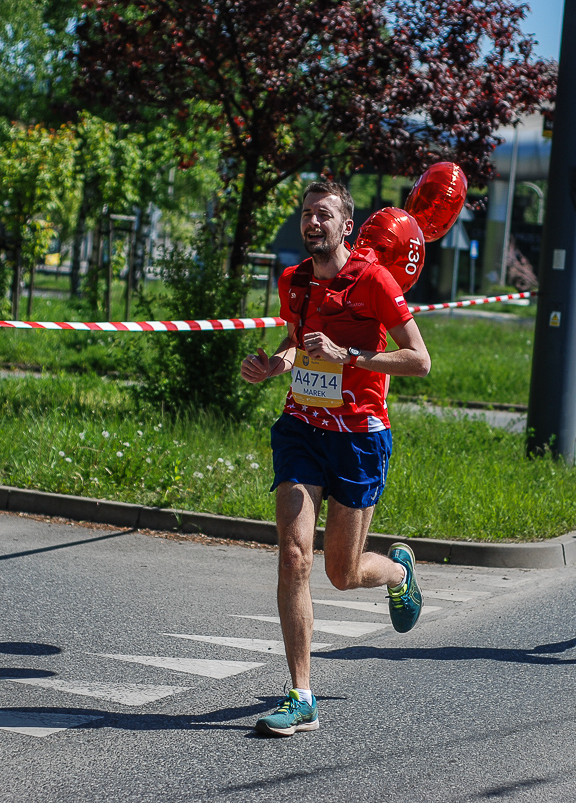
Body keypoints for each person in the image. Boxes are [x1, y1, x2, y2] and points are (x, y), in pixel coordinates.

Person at [239, 180, 430, 736]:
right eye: (306, 215)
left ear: (347, 226)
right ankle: (301, 695)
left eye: (323, 215)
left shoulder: (374, 280)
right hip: (301, 425)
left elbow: (419, 360)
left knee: (342, 573)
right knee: (294, 554)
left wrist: (352, 356)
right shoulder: (293, 281)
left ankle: (397, 571)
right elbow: (294, 342)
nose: (312, 223)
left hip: (358, 435)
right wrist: (275, 364)